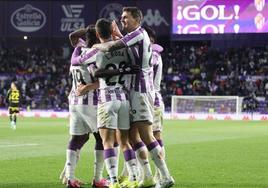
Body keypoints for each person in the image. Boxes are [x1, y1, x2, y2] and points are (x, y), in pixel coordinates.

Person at [93, 7, 174, 188]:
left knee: (147, 136)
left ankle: (165, 176)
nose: (122, 20)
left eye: (125, 18)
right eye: (121, 18)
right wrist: (117, 33)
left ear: (137, 19)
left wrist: (95, 45)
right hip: (134, 92)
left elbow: (112, 46)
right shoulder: (135, 36)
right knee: (132, 137)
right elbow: (122, 45)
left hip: (142, 91)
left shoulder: (139, 33)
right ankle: (143, 177)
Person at [93, 18, 141, 188]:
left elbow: (95, 72)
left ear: (98, 34)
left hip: (107, 98)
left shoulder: (96, 51)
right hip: (124, 98)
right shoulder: (124, 49)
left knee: (107, 142)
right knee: (124, 142)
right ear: (112, 30)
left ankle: (113, 181)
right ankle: (134, 179)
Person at [59, 25, 108, 188]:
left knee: (77, 138)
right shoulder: (96, 54)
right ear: (98, 38)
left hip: (74, 103)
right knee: (101, 138)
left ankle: (70, 179)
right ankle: (97, 179)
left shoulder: (77, 51)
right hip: (91, 102)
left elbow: (73, 36)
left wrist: (88, 30)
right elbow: (100, 80)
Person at [144, 26, 166, 182]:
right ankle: (145, 174)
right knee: (140, 137)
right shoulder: (152, 53)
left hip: (153, 99)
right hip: (146, 98)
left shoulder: (154, 55)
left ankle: (160, 172)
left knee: (155, 135)